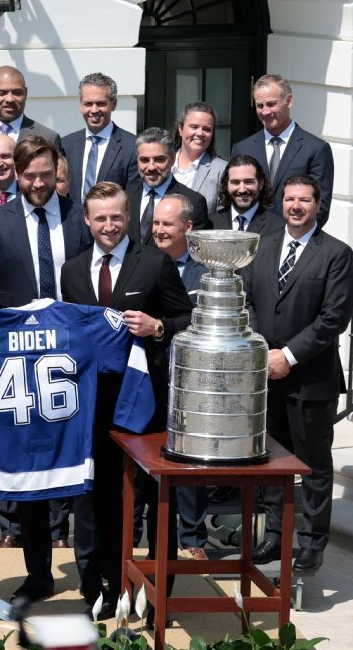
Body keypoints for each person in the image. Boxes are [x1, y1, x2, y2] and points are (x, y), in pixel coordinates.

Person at [59, 181, 193, 615]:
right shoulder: (73, 270)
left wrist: (158, 327)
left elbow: (189, 318)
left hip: (147, 402)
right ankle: (110, 586)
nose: (109, 226)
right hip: (93, 406)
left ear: (128, 215)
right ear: (87, 220)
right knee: (102, 496)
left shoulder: (155, 262)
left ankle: (159, 591)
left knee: (155, 498)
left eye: (116, 217)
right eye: (100, 218)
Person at [0, 135, 93, 559]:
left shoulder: (80, 219)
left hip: (72, 354)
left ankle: (68, 539)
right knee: (31, 456)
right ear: (16, 175)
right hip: (19, 358)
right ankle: (36, 566)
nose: (38, 184)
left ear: (57, 172)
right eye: (29, 176)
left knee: (70, 450)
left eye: (45, 175)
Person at [243, 174, 353, 575]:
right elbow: (250, 301)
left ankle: (310, 543)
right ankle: (275, 535)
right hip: (267, 378)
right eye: (290, 199)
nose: (295, 206)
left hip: (311, 379)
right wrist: (262, 351)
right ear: (281, 203)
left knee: (312, 465)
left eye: (304, 200)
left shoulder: (335, 254)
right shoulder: (264, 247)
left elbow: (333, 319)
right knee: (273, 461)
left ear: (318, 204)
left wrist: (288, 356)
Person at [149, 194, 210, 560]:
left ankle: (193, 540)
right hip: (151, 376)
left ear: (188, 227)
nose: (158, 230)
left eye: (167, 224)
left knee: (188, 464)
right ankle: (140, 533)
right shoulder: (142, 262)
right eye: (155, 223)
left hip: (191, 380)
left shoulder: (205, 269)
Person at [230, 74, 334, 226]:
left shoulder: (316, 149)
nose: (265, 112)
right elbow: (233, 197)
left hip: (292, 240)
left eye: (271, 104)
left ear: (289, 101)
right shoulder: (242, 148)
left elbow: (320, 207)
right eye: (260, 106)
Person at [0, 66, 61, 189]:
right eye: (2, 93)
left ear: (26, 93)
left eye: (17, 92)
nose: (10, 99)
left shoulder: (48, 138)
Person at [62, 73, 139, 201]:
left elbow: (132, 199)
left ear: (113, 104)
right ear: (80, 105)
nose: (94, 110)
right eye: (88, 104)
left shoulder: (131, 147)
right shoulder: (66, 145)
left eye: (101, 103)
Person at [128, 127, 210, 244]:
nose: (151, 167)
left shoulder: (193, 202)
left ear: (172, 159)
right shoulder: (126, 197)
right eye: (144, 160)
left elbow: (195, 253)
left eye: (159, 160)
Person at [209, 155, 285, 236]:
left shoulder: (278, 227)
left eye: (248, 182)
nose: (242, 190)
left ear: (261, 183)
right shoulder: (210, 224)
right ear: (226, 185)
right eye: (235, 182)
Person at [170, 101, 226, 207]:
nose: (200, 133)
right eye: (194, 127)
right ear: (180, 129)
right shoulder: (164, 164)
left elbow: (222, 216)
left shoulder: (221, 170)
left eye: (207, 129)